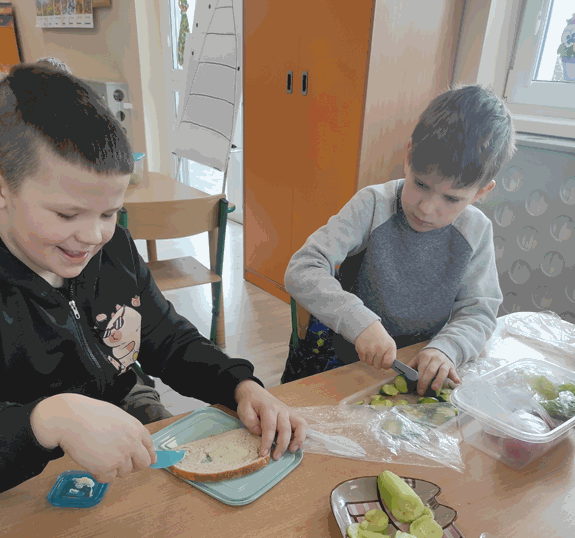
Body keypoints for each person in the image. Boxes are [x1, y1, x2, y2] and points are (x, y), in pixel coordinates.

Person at [0, 64, 305, 493]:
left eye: (109, 213)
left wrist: (239, 384)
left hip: (126, 404)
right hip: (26, 458)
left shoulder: (114, 250)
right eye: (67, 215)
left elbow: (167, 338)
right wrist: (49, 420)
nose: (93, 237)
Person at [283, 83, 515, 396]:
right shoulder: (372, 205)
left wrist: (448, 348)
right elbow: (302, 268)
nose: (427, 209)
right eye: (421, 184)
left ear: (481, 192)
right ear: (408, 156)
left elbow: (479, 311)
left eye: (451, 198)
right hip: (345, 363)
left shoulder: (476, 231)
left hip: (415, 368)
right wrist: (359, 322)